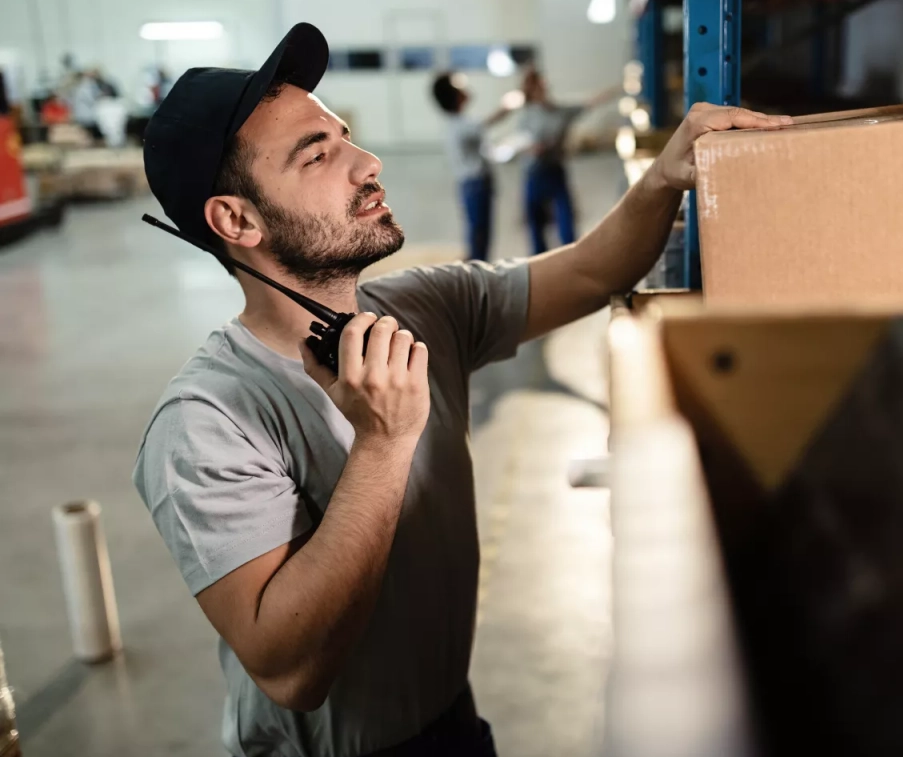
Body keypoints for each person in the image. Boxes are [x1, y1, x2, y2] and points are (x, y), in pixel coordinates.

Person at [132, 22, 788, 757]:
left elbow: (593, 271)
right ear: (236, 219)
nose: (367, 162)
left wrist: (663, 176)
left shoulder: (424, 307)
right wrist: (382, 444)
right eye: (319, 155)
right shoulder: (206, 420)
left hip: (454, 726)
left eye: (345, 135)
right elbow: (291, 671)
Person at [515, 68, 620, 255]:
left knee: (566, 221)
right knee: (536, 224)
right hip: (534, 173)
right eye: (537, 86)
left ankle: (570, 257)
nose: (543, 89)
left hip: (555, 171)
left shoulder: (560, 112)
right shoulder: (527, 115)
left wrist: (619, 88)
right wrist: (532, 148)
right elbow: (521, 141)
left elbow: (589, 103)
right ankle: (539, 263)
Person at [430, 72, 513, 262]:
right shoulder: (460, 125)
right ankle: (476, 277)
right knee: (480, 236)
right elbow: (493, 119)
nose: (466, 89)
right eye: (461, 86)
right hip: (476, 185)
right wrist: (514, 100)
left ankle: (475, 269)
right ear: (454, 95)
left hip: (472, 185)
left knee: (478, 233)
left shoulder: (457, 123)